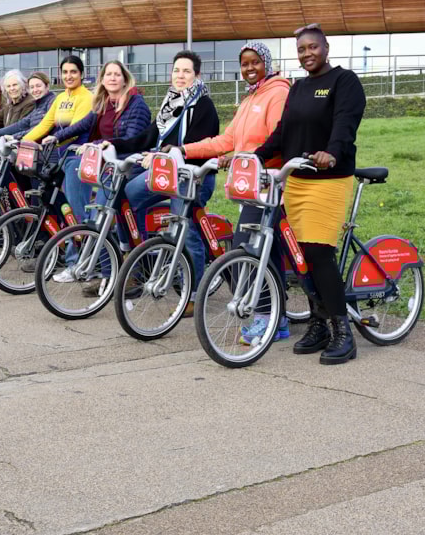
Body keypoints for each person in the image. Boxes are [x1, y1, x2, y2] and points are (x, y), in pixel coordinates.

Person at [255, 23, 366, 365]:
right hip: (298, 181)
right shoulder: (299, 87)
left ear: (326, 47)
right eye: (301, 49)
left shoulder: (344, 81)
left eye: (312, 47)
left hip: (329, 178)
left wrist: (331, 151)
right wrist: (256, 155)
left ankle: (343, 332)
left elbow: (345, 124)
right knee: (299, 255)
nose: (306, 54)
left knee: (318, 252)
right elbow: (283, 130)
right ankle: (319, 322)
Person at [178, 42, 291, 344]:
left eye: (255, 62)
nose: (249, 68)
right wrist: (185, 149)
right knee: (271, 254)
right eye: (244, 64)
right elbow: (226, 139)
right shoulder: (250, 98)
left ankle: (268, 318)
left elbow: (277, 137)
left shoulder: (277, 92)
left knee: (248, 249)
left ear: (266, 62)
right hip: (250, 186)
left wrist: (249, 155)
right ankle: (277, 320)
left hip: (269, 184)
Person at [110, 50, 219, 317]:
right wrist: (114, 144)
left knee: (188, 230)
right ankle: (137, 264)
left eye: (186, 71)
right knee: (126, 200)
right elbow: (149, 136)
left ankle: (192, 294)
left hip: (192, 177)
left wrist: (168, 151)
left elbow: (199, 144)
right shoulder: (170, 103)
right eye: (176, 71)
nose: (180, 76)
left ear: (197, 75)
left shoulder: (204, 106)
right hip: (165, 172)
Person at [45, 60, 151, 286]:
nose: (112, 78)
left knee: (101, 213)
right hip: (106, 163)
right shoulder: (103, 103)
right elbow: (82, 126)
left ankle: (104, 268)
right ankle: (83, 225)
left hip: (127, 164)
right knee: (73, 165)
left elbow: (131, 140)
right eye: (108, 74)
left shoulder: (136, 104)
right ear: (102, 79)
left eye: (117, 74)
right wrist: (57, 138)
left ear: (124, 79)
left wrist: (103, 143)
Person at [0, 71, 56, 140]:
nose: (35, 90)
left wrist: (14, 137)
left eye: (38, 86)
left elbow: (40, 128)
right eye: (32, 87)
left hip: (49, 148)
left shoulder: (52, 102)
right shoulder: (37, 107)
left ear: (47, 86)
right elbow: (19, 125)